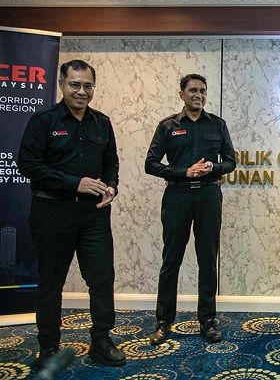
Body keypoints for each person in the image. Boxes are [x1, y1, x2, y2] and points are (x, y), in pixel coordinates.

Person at [18, 59, 125, 367]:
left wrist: (112, 187)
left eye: (88, 86)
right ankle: (49, 348)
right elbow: (28, 165)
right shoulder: (43, 121)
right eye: (75, 84)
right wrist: (74, 183)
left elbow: (111, 163)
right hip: (52, 211)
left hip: (93, 214)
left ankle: (101, 341)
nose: (81, 91)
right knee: (51, 282)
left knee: (102, 278)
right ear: (61, 85)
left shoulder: (101, 122)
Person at [145, 73, 235, 345]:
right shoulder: (168, 126)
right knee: (171, 260)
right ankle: (163, 321)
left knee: (208, 260)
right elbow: (151, 164)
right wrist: (184, 172)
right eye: (193, 90)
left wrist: (212, 167)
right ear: (181, 94)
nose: (198, 95)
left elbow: (230, 162)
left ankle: (207, 320)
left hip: (208, 196)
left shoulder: (217, 125)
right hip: (177, 196)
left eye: (203, 91)